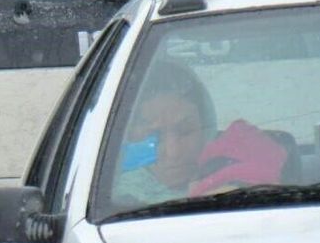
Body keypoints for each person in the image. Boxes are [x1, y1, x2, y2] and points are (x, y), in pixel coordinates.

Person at [114, 59, 288, 204]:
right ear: (130, 135)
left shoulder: (246, 176)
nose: (173, 152)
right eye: (154, 135)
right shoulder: (108, 197)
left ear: (207, 127)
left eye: (185, 131)